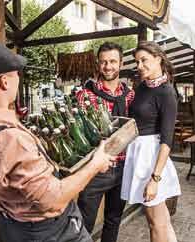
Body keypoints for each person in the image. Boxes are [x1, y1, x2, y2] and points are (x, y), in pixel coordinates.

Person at [0, 40, 115, 242]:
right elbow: (54, 201)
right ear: (4, 82)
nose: (18, 79)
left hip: (12, 225)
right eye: (16, 74)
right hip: (49, 232)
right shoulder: (11, 139)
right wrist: (95, 164)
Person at [121, 41, 181, 242]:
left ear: (158, 58)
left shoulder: (166, 92)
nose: (139, 66)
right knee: (160, 220)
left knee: (156, 223)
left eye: (144, 60)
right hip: (139, 154)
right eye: (137, 61)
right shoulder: (142, 88)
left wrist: (155, 179)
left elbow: (167, 140)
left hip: (152, 159)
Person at [76, 42, 135, 242]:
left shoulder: (130, 95)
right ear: (98, 64)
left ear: (121, 63)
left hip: (124, 166)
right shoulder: (86, 94)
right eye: (103, 62)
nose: (108, 66)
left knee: (113, 220)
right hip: (96, 170)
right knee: (85, 223)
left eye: (112, 61)